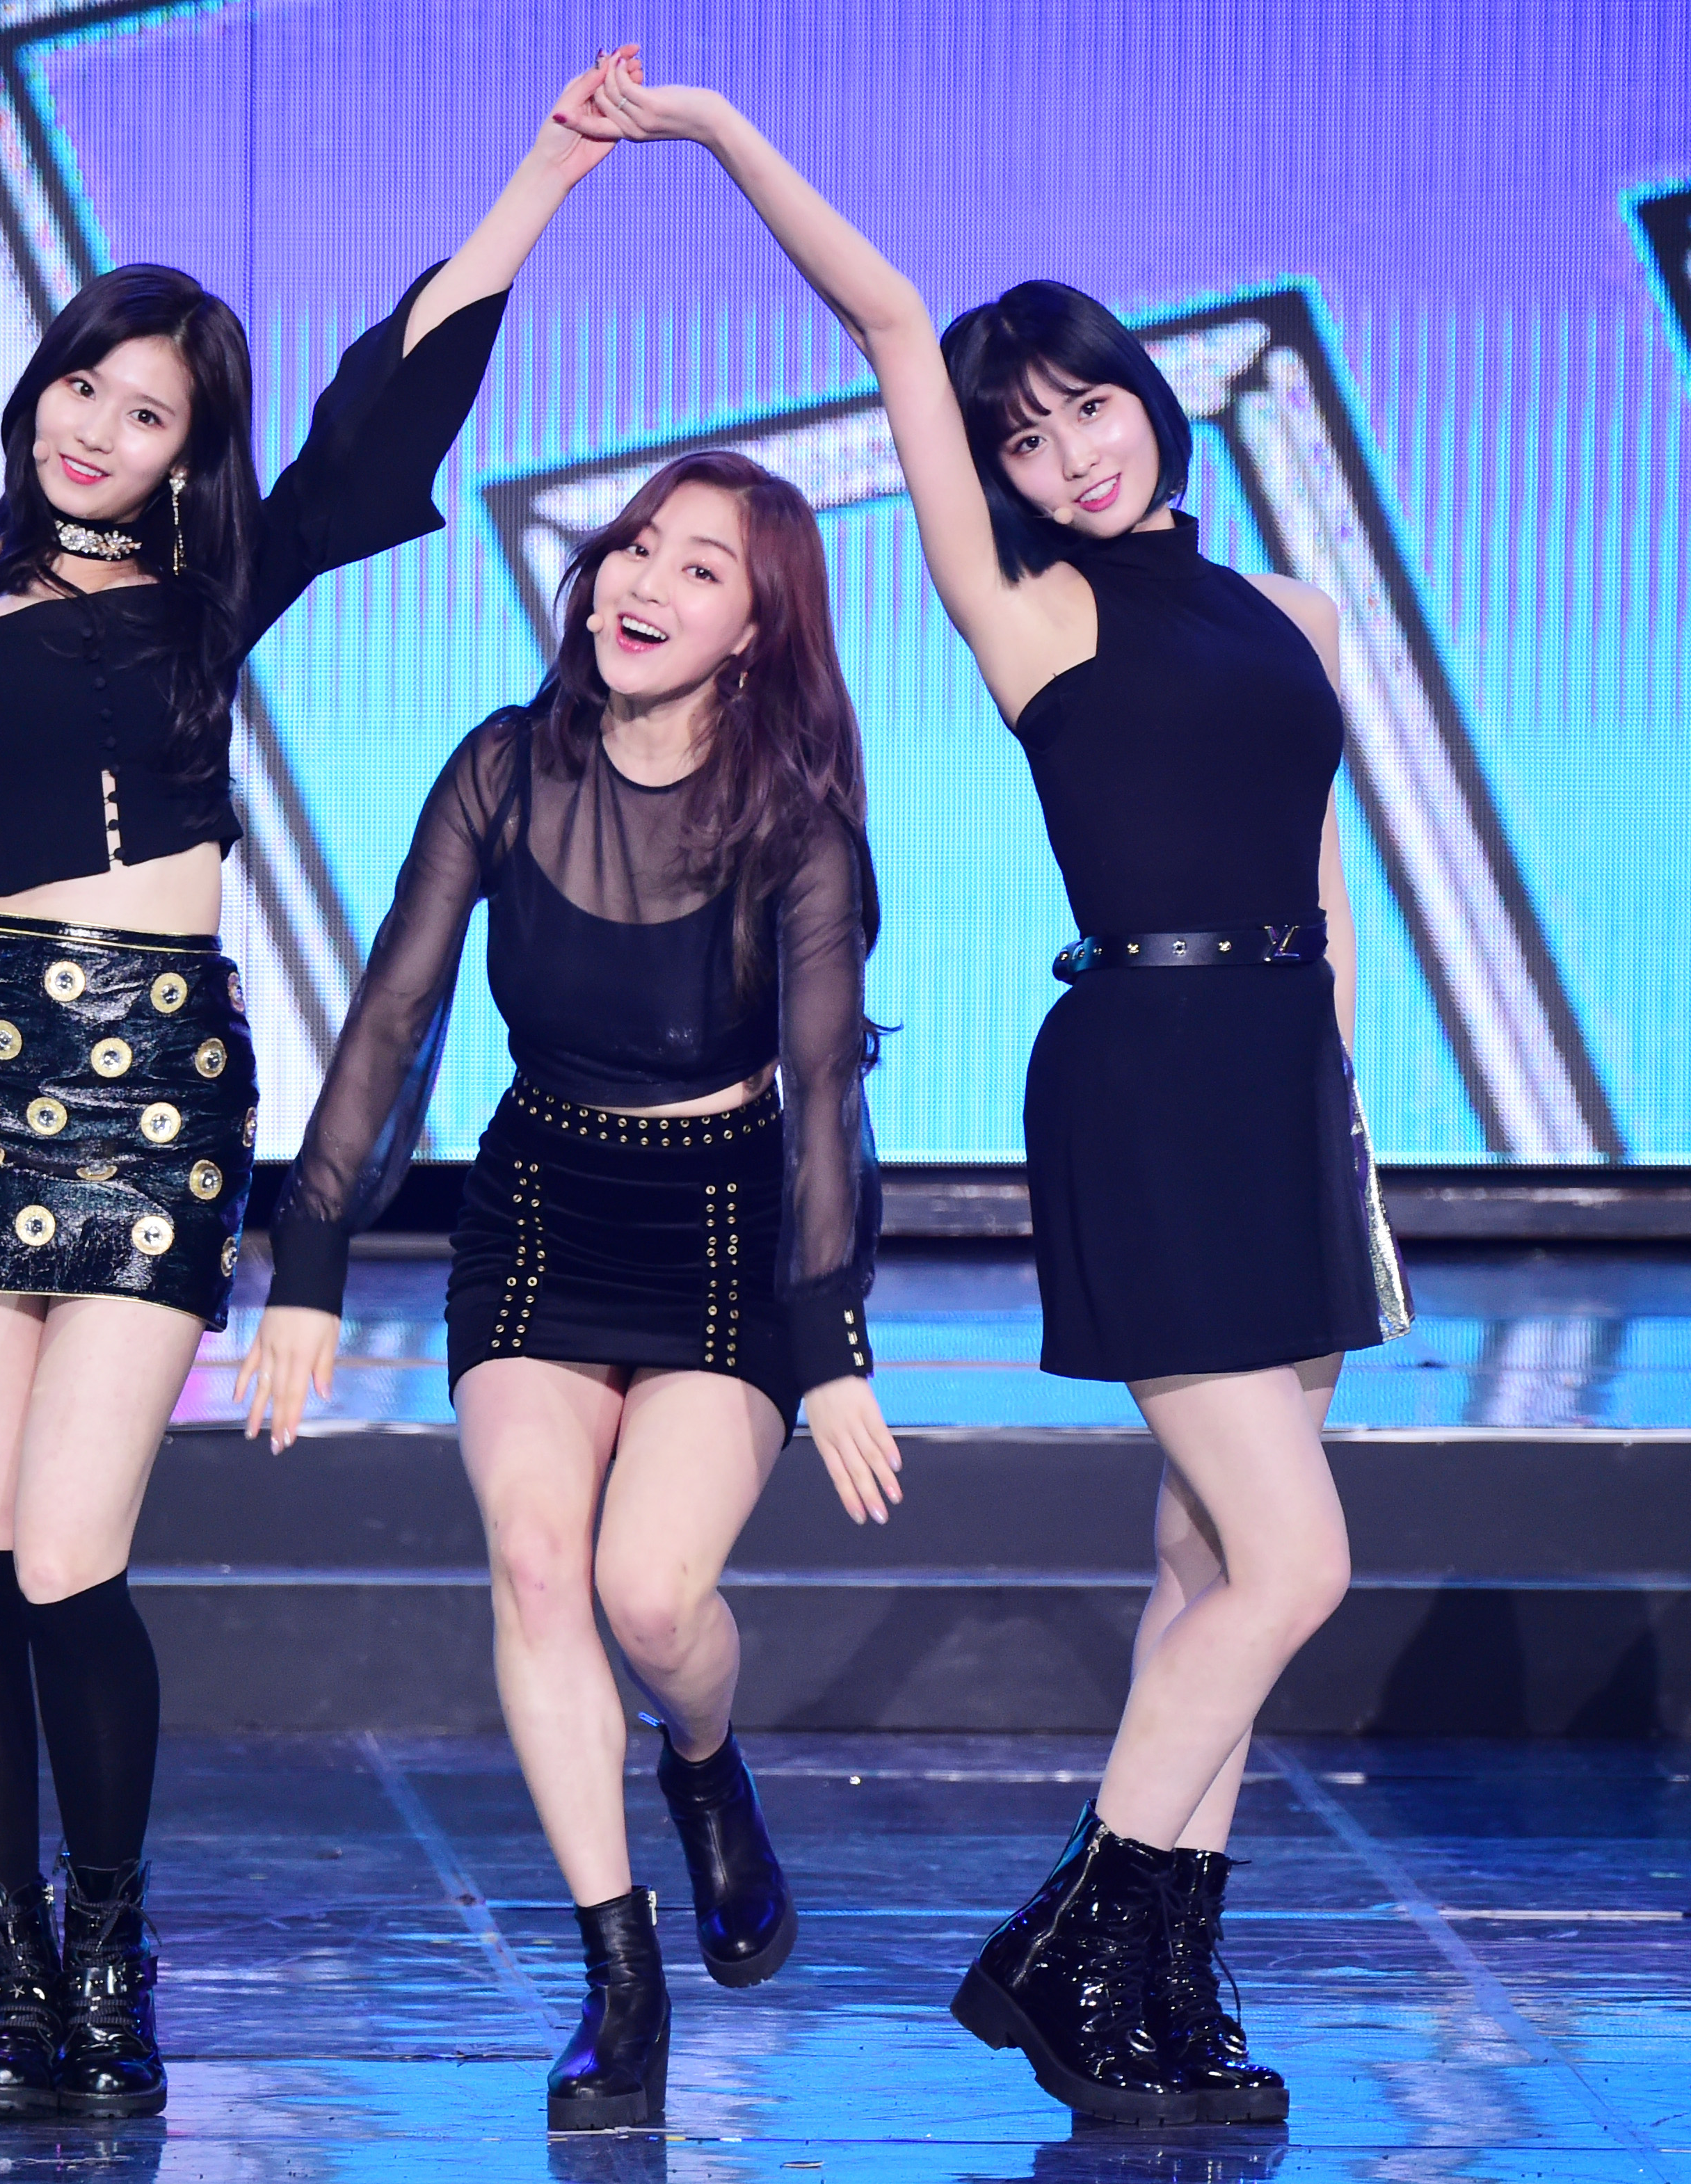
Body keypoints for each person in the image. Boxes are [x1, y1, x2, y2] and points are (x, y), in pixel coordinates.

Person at [0, 67, 627, 2123]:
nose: (93, 426)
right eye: (79, 385)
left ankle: (113, 1952)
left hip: (161, 1086)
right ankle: (12, 1983)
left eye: (146, 410)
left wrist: (542, 172)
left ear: (191, 452)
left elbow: (382, 419)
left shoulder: (213, 587)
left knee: (72, 1554)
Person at [577, 58, 1408, 2128]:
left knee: (1206, 1572)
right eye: (1019, 436)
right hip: (1143, 1076)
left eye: (1084, 407)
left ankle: (1162, 1998)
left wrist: (1350, 1131)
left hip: (1283, 1091)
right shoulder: (1024, 607)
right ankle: (1071, 1942)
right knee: (1293, 1565)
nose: (1065, 453)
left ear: (1147, 398)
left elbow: (1323, 889)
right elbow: (884, 320)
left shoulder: (1292, 610)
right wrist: (717, 129)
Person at [238, 448, 899, 2132]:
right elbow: (392, 1016)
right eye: (634, 548)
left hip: (726, 1228)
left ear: (755, 631)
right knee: (539, 1563)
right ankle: (619, 1977)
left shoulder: (797, 828)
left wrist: (828, 1339)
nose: (642, 584)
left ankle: (704, 1767)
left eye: (699, 568)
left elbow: (823, 1091)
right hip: (538, 1209)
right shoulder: (503, 765)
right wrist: (309, 1257)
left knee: (650, 1598)